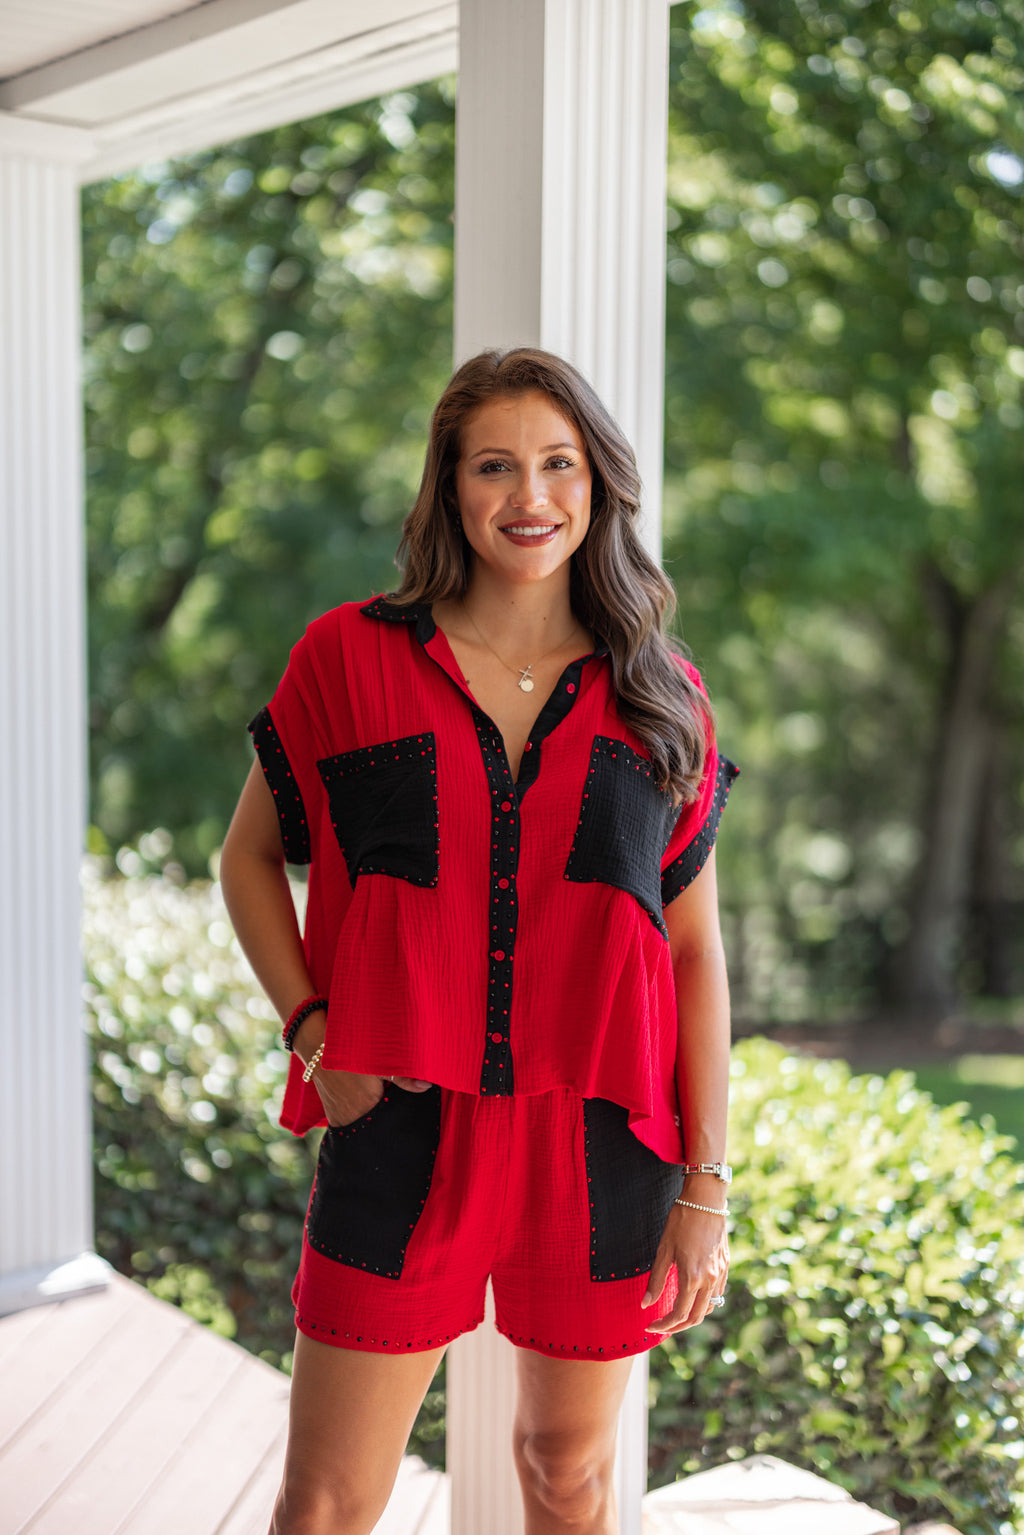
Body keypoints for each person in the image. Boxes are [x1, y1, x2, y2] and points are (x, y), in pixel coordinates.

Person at [220, 347, 737, 1535]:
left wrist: (704, 1183)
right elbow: (247, 858)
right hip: (398, 1124)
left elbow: (694, 953)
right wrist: (311, 1030)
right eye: (493, 465)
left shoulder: (662, 693)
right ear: (449, 487)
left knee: (568, 1477)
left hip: (601, 1146)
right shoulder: (347, 657)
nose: (529, 496)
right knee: (325, 1500)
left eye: (559, 464)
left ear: (599, 485)